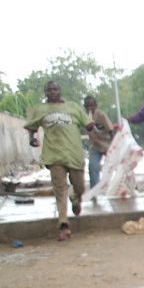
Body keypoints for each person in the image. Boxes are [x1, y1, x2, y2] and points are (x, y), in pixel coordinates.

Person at [24, 81, 95, 241]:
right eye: (49, 90)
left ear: (60, 91)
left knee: (80, 187)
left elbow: (89, 124)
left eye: (55, 89)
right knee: (60, 190)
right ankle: (64, 225)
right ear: (45, 92)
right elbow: (33, 128)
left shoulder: (73, 107)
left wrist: (93, 126)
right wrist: (32, 139)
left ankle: (76, 199)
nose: (52, 92)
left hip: (74, 154)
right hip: (54, 155)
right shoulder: (41, 109)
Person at [83, 96, 114, 189]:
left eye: (92, 106)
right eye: (87, 106)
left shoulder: (101, 115)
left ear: (95, 106)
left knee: (118, 165)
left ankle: (131, 186)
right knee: (93, 167)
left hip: (107, 144)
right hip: (95, 145)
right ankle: (95, 190)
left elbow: (111, 130)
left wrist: (115, 145)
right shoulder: (84, 116)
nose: (90, 108)